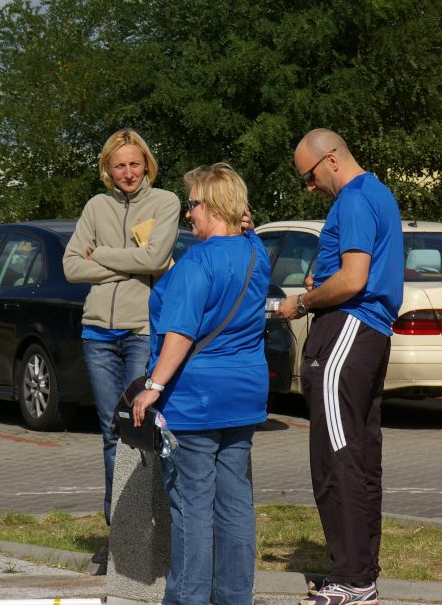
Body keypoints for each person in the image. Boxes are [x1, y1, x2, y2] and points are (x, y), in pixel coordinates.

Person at [132, 163, 270, 605]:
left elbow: (181, 334)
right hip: (244, 394)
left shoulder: (197, 262)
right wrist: (244, 223)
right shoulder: (257, 253)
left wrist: (153, 385)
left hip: (196, 398)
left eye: (192, 204)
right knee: (235, 504)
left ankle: (189, 598)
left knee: (192, 506)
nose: (188, 214)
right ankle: (234, 597)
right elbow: (248, 232)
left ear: (212, 205)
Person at [277, 129, 404, 605]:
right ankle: (361, 575)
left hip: (347, 330)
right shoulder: (378, 192)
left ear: (330, 160)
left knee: (336, 457)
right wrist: (324, 281)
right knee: (361, 454)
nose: (310, 186)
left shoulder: (352, 199)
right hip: (369, 333)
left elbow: (353, 280)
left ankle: (351, 578)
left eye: (309, 176)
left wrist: (303, 302)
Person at [63, 128, 180, 555]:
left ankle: (151, 531)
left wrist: (101, 255)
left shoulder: (165, 202)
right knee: (111, 432)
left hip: (140, 332)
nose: (128, 172)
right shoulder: (96, 206)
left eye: (134, 163)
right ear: (107, 169)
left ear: (146, 164)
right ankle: (122, 536)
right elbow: (71, 267)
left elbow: (156, 258)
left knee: (139, 429)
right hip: (97, 334)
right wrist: (134, 263)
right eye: (119, 165)